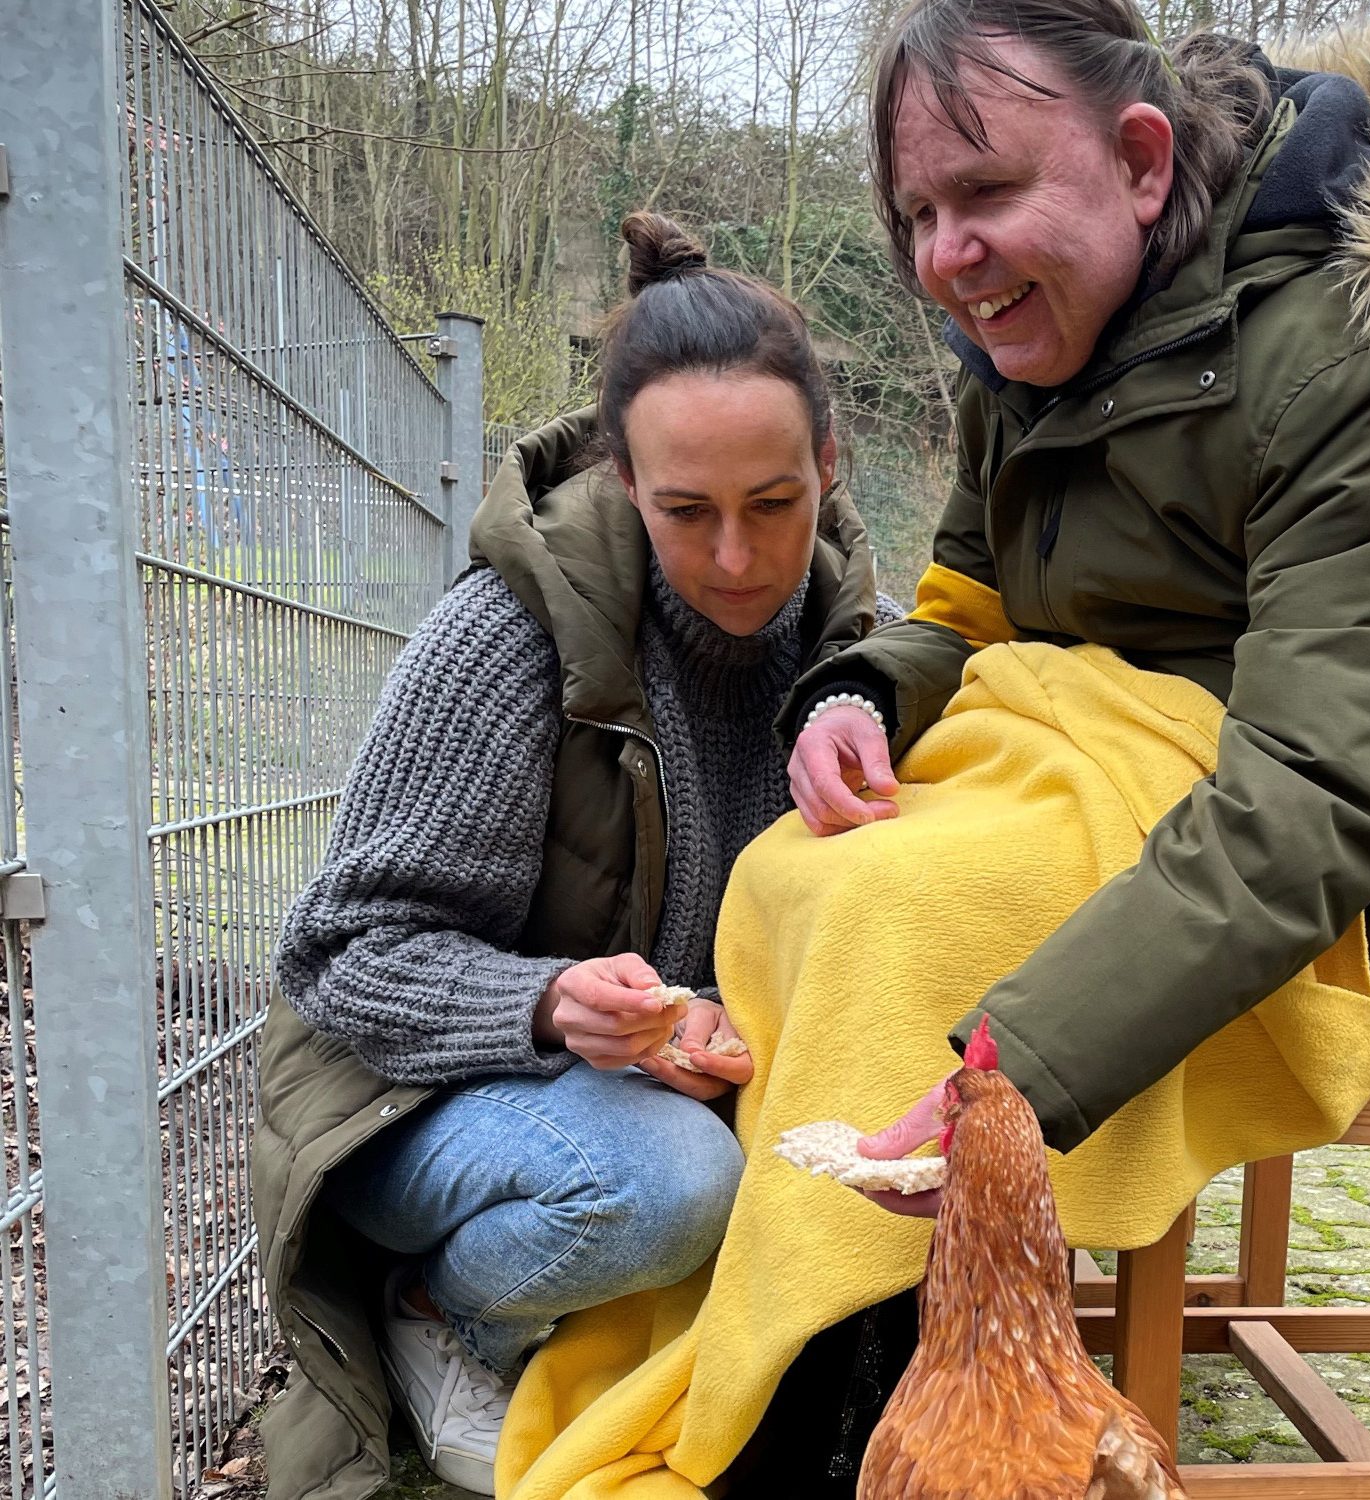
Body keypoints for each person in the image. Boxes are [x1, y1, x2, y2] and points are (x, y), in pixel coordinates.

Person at [787, 0, 1370, 1168]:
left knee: (900, 904)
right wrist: (855, 698)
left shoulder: (1360, 366)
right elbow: (969, 603)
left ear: (1140, 162)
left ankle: (879, 1320)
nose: (941, 258)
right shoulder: (1028, 353)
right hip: (1189, 763)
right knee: (803, 863)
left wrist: (1013, 1075)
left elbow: (1320, 793)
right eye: (919, 213)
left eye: (987, 192)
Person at [251, 211, 901, 1500]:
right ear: (620, 479)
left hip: (663, 1087)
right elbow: (337, 955)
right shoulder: (505, 638)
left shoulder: (859, 658)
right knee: (663, 1183)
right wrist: (543, 1001)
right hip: (413, 1101)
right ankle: (445, 1315)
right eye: (684, 512)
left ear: (827, 466)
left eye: (773, 506)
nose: (735, 557)